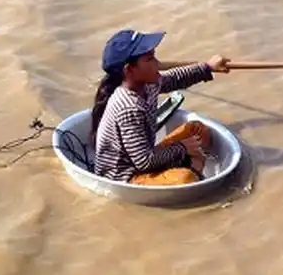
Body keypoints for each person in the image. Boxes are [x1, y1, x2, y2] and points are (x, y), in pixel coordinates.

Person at [90, 28, 230, 185]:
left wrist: (208, 67)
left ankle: (187, 168)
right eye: (150, 59)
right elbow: (144, 162)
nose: (157, 63)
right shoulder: (129, 108)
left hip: (145, 158)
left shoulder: (148, 84)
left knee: (197, 130)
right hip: (127, 175)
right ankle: (194, 173)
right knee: (186, 178)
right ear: (129, 70)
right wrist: (182, 148)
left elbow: (176, 78)